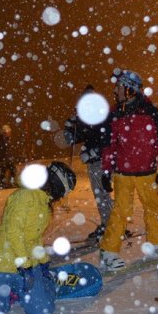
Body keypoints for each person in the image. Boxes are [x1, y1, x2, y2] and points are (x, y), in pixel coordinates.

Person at [0, 161, 77, 314]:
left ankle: (40, 285)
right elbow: (13, 231)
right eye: (63, 192)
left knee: (41, 311)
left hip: (27, 264)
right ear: (57, 185)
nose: (62, 197)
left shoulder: (44, 204)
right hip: (0, 263)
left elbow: (33, 238)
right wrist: (24, 264)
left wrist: (42, 262)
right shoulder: (25, 196)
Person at [97, 69, 158, 270]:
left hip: (147, 172)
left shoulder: (150, 112)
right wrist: (106, 171)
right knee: (121, 211)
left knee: (152, 208)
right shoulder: (114, 114)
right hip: (123, 173)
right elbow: (109, 145)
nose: (115, 90)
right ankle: (109, 251)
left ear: (129, 89)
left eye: (119, 86)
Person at [63, 85, 113, 240]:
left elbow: (108, 140)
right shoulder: (87, 119)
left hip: (103, 161)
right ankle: (109, 224)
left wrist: (92, 153)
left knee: (103, 194)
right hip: (93, 162)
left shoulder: (102, 116)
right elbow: (74, 139)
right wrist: (70, 127)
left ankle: (113, 226)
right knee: (99, 195)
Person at [0, 124, 17, 189]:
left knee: (11, 170)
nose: (9, 133)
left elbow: (7, 150)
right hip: (4, 159)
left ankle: (4, 184)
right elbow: (1, 150)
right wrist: (1, 159)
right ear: (5, 132)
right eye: (8, 132)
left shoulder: (6, 139)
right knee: (5, 171)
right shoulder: (2, 139)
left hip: (7, 159)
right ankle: (3, 184)